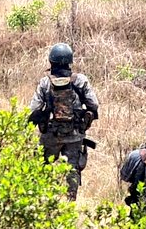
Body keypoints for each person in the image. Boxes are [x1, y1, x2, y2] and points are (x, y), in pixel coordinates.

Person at [27, 43, 99, 201]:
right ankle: (70, 202)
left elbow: (34, 109)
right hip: (74, 136)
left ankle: (39, 199)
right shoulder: (80, 81)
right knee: (72, 169)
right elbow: (94, 104)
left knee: (41, 167)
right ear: (70, 62)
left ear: (51, 62)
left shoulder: (45, 83)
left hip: (51, 135)